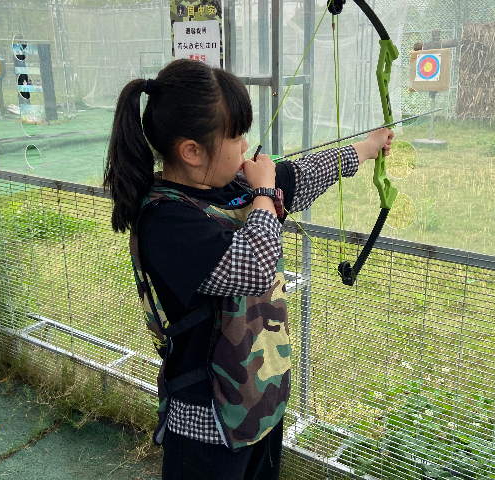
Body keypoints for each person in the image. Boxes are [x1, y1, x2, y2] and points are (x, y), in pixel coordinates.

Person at [103, 59, 393, 480]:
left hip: (258, 407)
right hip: (208, 424)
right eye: (235, 136)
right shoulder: (165, 222)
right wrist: (261, 193)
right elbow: (254, 267)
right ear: (191, 150)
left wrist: (365, 149)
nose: (245, 146)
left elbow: (298, 175)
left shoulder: (229, 188)